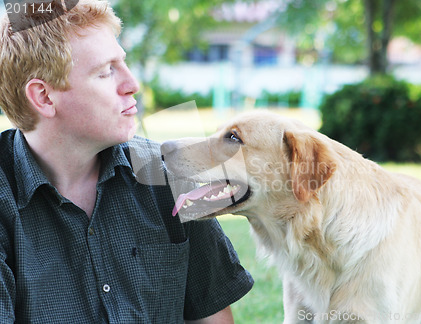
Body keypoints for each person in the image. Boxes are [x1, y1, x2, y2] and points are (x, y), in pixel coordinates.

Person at [0, 0, 253, 323]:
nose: (131, 84)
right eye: (106, 72)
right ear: (44, 97)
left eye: (123, 62)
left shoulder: (169, 174)